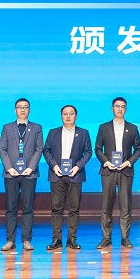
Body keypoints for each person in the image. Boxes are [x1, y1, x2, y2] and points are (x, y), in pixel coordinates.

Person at [93, 97, 140, 250]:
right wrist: (106, 162)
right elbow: (98, 149)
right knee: (106, 206)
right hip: (108, 171)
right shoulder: (103, 127)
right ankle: (106, 238)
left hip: (125, 171)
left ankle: (125, 238)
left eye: (123, 107)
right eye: (117, 106)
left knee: (125, 206)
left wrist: (128, 162)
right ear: (112, 108)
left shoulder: (132, 128)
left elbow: (138, 149)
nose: (120, 109)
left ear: (125, 109)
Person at [43, 105, 93, 250]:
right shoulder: (53, 132)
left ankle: (72, 239)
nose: (68, 116)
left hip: (75, 175)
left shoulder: (83, 133)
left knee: (74, 209)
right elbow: (46, 151)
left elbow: (88, 152)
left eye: (71, 114)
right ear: (61, 116)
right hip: (56, 175)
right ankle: (56, 239)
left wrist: (78, 166)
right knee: (56, 209)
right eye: (65, 114)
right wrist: (54, 166)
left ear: (76, 116)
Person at [0, 98, 43, 252]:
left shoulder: (37, 128)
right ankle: (10, 240)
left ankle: (26, 240)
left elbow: (39, 149)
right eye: (19, 107)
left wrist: (31, 168)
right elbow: (2, 149)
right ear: (15, 110)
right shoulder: (7, 127)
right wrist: (9, 168)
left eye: (25, 107)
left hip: (29, 174)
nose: (23, 109)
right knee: (10, 208)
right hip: (11, 173)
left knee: (28, 207)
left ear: (29, 110)